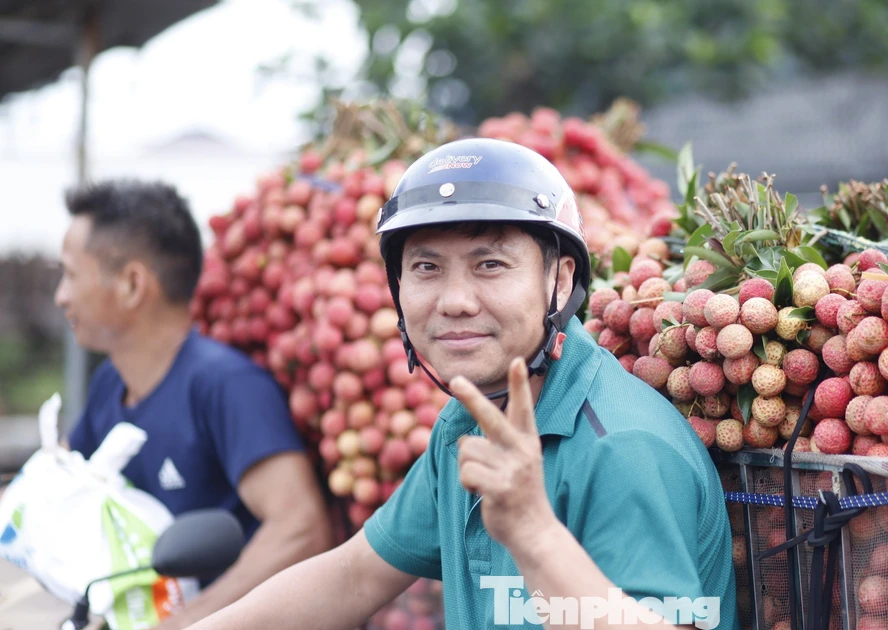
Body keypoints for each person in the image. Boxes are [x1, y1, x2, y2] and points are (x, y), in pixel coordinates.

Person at [190, 138, 738, 629]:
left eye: (491, 264)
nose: (454, 301)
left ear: (561, 279)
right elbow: (353, 577)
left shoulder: (621, 446)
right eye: (427, 268)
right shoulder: (469, 421)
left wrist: (534, 533)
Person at [54, 179, 333, 629]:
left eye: (70, 274)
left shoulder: (226, 386)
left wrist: (188, 622)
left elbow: (300, 529)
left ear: (131, 285)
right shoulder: (110, 383)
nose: (60, 295)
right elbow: (56, 480)